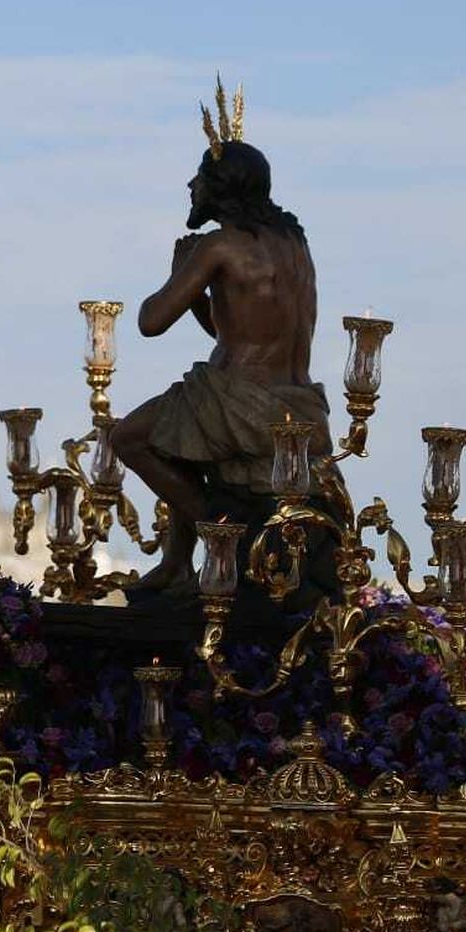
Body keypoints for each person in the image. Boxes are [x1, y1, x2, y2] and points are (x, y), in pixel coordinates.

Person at [113, 82, 330, 592]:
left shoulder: (219, 246)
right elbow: (237, 331)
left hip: (239, 400)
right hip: (297, 403)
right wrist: (199, 300)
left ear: (221, 187)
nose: (191, 184)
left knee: (130, 438)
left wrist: (183, 272)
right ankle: (176, 562)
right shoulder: (294, 246)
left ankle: (219, 538)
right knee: (184, 439)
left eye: (199, 177)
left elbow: (149, 321)